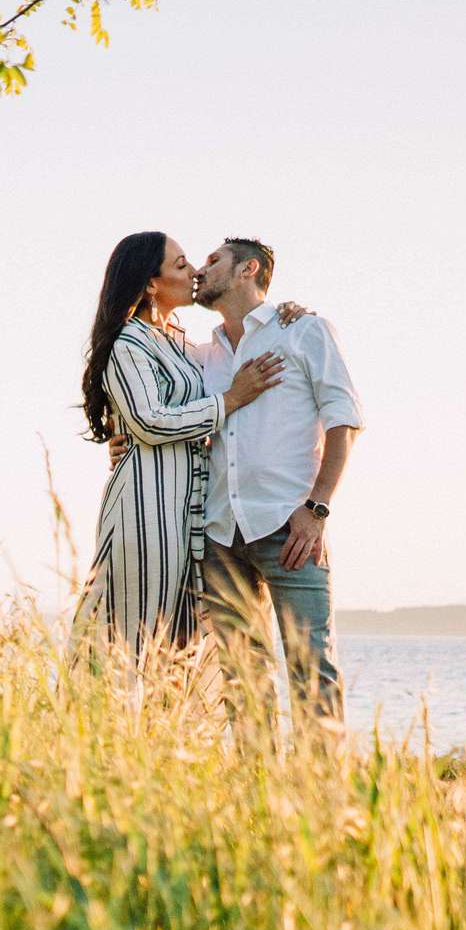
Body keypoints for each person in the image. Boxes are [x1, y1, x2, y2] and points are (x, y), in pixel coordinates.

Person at [73, 232, 287, 657]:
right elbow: (150, 420)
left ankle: (165, 724)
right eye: (181, 264)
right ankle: (107, 718)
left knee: (178, 642)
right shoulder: (127, 342)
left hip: (187, 515)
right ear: (151, 283)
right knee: (134, 635)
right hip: (147, 507)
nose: (194, 272)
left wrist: (285, 314)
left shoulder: (180, 343)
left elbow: (237, 339)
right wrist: (231, 399)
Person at [186, 237, 363, 724]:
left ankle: (319, 792)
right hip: (220, 533)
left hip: (290, 527)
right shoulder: (203, 355)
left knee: (312, 669)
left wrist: (318, 508)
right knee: (243, 675)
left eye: (212, 261)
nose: (201, 271)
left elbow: (343, 419)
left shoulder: (302, 330)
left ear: (248, 269)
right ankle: (254, 785)